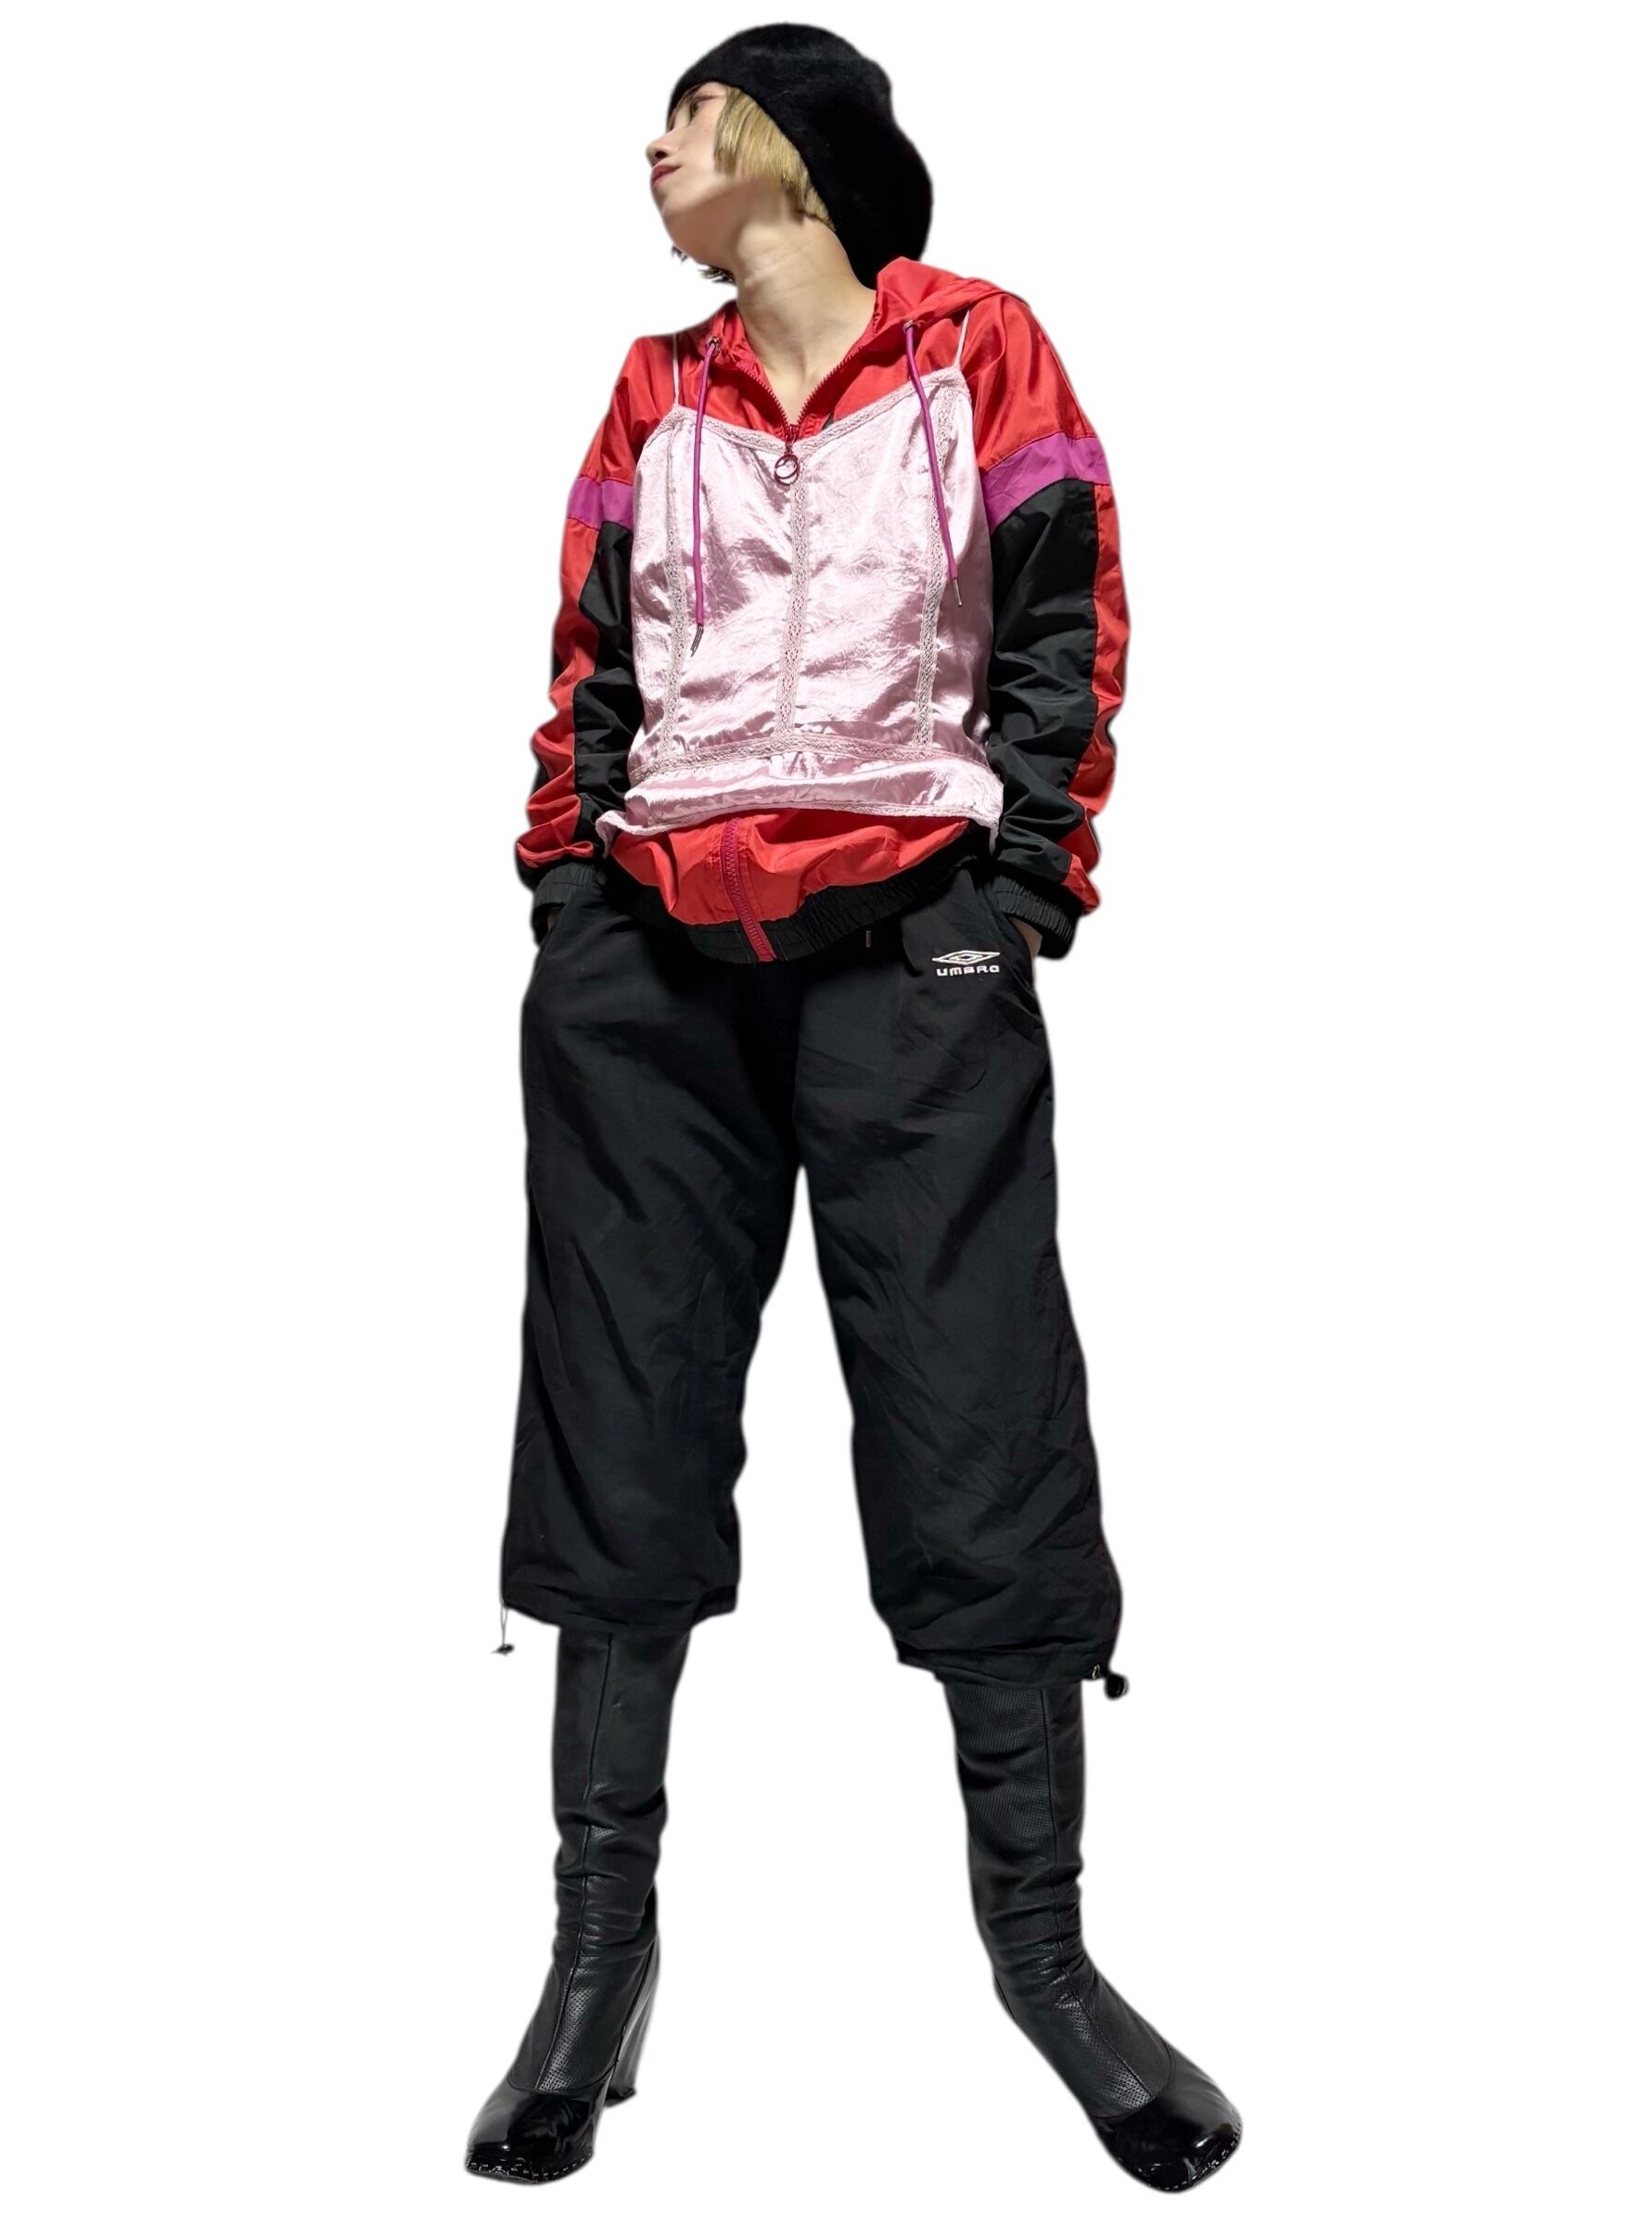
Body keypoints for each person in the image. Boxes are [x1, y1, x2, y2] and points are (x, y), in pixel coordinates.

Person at [465, 24, 1241, 2194]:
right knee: (617, 1425)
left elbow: (1064, 612)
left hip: (917, 948)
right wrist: (568, 892)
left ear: (792, 150)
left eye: (689, 117)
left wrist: (1021, 885)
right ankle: (596, 1961)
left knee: (978, 1417)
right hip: (647, 969)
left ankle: (1044, 1963)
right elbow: (591, 665)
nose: (653, 151)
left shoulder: (980, 350)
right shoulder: (652, 393)